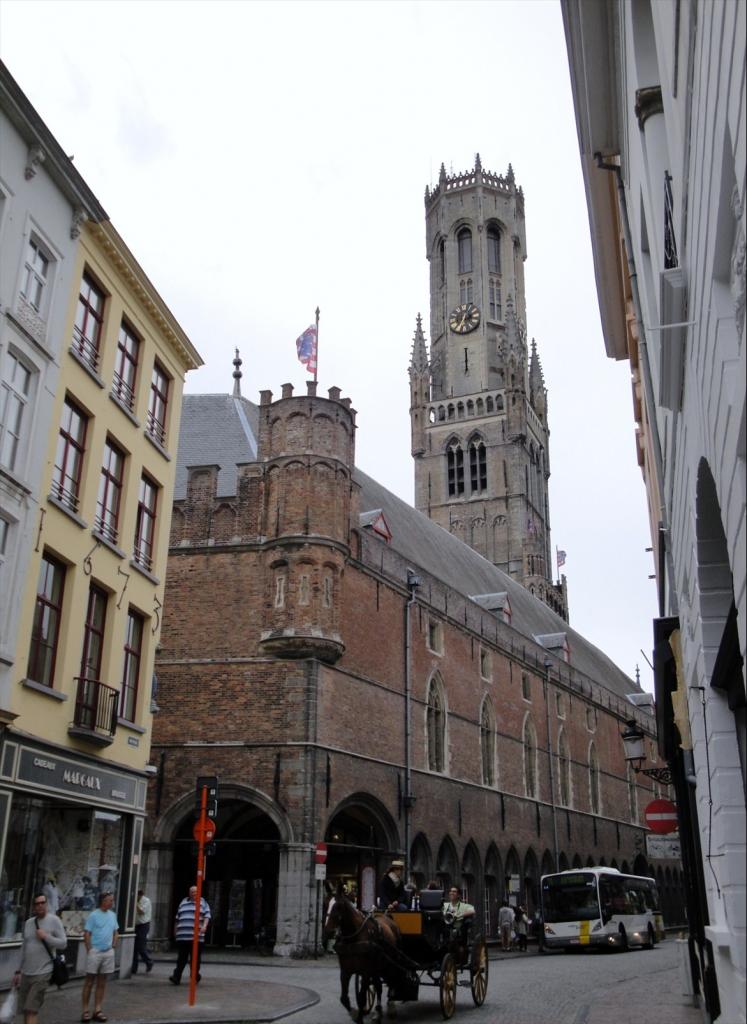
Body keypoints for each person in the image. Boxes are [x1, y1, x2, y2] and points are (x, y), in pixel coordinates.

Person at [12, 892, 67, 1024]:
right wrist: (18, 971)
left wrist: (46, 937)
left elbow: (63, 943)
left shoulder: (54, 921)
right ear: (33, 907)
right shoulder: (29, 923)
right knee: (26, 1009)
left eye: (43, 903)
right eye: (37, 904)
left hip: (43, 972)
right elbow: (24, 948)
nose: (40, 906)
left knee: (32, 1009)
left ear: (47, 904)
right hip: (27, 972)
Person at [82, 890, 119, 1023]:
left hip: (107, 951)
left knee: (102, 982)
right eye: (110, 900)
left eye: (112, 900)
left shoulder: (113, 915)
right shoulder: (93, 915)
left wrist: (114, 945)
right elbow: (87, 933)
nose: (112, 902)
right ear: (103, 901)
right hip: (95, 951)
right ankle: (85, 1010)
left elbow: (116, 931)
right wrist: (89, 949)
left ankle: (97, 1009)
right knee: (89, 981)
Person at [170, 885, 211, 985]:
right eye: (192, 892)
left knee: (195, 959)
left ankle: (195, 976)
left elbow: (207, 916)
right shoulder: (183, 902)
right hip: (183, 936)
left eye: (196, 892)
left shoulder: (203, 902)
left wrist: (204, 926)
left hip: (197, 937)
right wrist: (175, 931)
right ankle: (176, 977)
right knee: (181, 958)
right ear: (189, 893)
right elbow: (177, 918)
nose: (194, 894)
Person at [131, 889, 153, 974]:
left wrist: (135, 903)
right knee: (134, 948)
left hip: (144, 925)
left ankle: (149, 961)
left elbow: (141, 912)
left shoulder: (146, 901)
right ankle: (134, 968)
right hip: (135, 925)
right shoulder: (137, 900)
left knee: (140, 946)